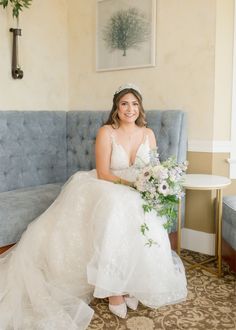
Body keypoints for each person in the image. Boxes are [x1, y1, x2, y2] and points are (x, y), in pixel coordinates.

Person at [0, 83, 187, 329]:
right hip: (107, 184)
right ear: (116, 108)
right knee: (116, 205)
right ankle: (113, 288)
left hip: (137, 187)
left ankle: (131, 279)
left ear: (139, 107)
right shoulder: (106, 132)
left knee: (144, 209)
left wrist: (153, 183)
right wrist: (131, 186)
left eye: (134, 104)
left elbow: (152, 168)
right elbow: (103, 173)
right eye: (124, 104)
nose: (129, 109)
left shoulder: (148, 133)